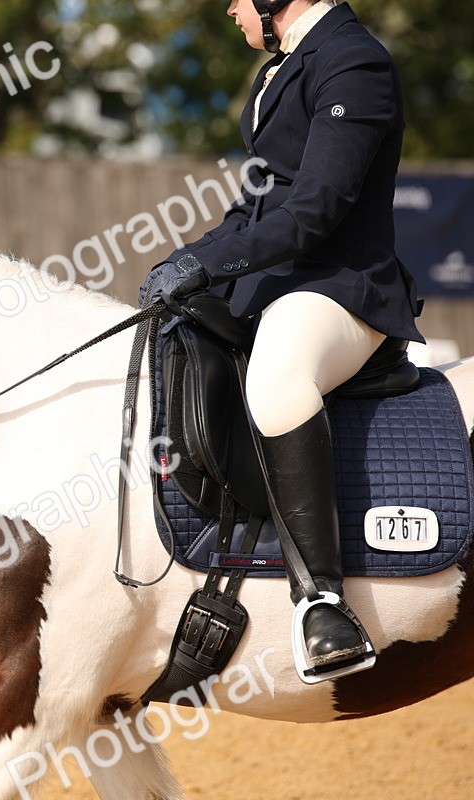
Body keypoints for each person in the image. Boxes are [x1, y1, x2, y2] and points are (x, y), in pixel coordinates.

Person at [141, 0, 425, 681]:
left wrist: (212, 265)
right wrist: (188, 259)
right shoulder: (284, 69)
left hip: (342, 288)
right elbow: (259, 204)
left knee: (275, 374)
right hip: (283, 282)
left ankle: (322, 602)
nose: (232, 8)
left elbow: (316, 209)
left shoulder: (354, 61)